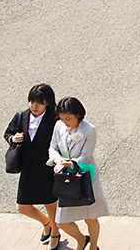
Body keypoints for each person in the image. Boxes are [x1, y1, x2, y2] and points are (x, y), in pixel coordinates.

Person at [48, 96, 109, 250]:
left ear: (78, 115)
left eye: (68, 118)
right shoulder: (58, 126)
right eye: (61, 118)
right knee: (61, 222)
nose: (64, 122)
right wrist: (57, 159)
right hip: (66, 180)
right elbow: (52, 148)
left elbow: (86, 157)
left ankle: (93, 246)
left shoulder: (89, 130)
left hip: (85, 177)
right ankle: (81, 239)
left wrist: (72, 163)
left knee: (90, 216)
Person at [6, 84, 59, 249]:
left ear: (47, 103)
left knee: (51, 204)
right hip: (28, 168)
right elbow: (8, 133)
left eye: (39, 103)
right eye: (31, 102)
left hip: (47, 168)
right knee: (22, 206)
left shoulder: (54, 121)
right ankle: (46, 223)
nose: (34, 106)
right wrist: (12, 139)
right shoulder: (22, 117)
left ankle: (55, 233)